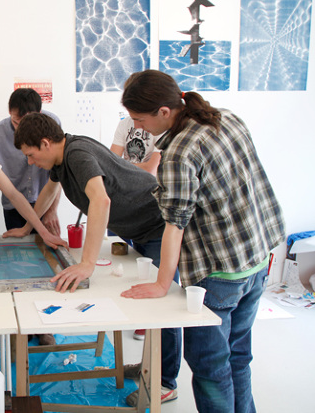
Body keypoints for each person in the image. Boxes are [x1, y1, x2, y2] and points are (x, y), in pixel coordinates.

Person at [120, 70, 285, 413]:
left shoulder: (179, 151)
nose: (137, 127)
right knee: (238, 356)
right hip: (257, 256)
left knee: (210, 367)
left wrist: (162, 284)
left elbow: (174, 224)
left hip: (221, 270)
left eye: (139, 119)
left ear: (164, 111)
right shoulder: (226, 118)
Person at [10, 112, 182, 406]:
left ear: (46, 143)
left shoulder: (77, 154)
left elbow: (101, 200)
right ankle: (149, 367)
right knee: (140, 298)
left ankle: (165, 382)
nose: (30, 161)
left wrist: (87, 264)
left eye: (30, 154)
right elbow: (50, 191)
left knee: (161, 305)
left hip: (156, 225)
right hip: (134, 228)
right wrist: (29, 228)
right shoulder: (61, 160)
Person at [0, 88, 62, 346]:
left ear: (40, 114)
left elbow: (58, 172)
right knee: (20, 266)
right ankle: (22, 326)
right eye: (16, 121)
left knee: (48, 265)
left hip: (45, 201)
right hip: (14, 207)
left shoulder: (52, 125)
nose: (20, 128)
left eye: (26, 121)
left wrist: (52, 211)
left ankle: (45, 325)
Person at [110, 115, 163, 341]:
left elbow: (151, 170)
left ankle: (148, 324)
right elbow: (111, 164)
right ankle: (129, 311)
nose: (136, 123)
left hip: (152, 207)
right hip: (126, 201)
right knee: (123, 262)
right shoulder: (124, 124)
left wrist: (124, 167)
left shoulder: (161, 128)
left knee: (153, 269)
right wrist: (127, 168)